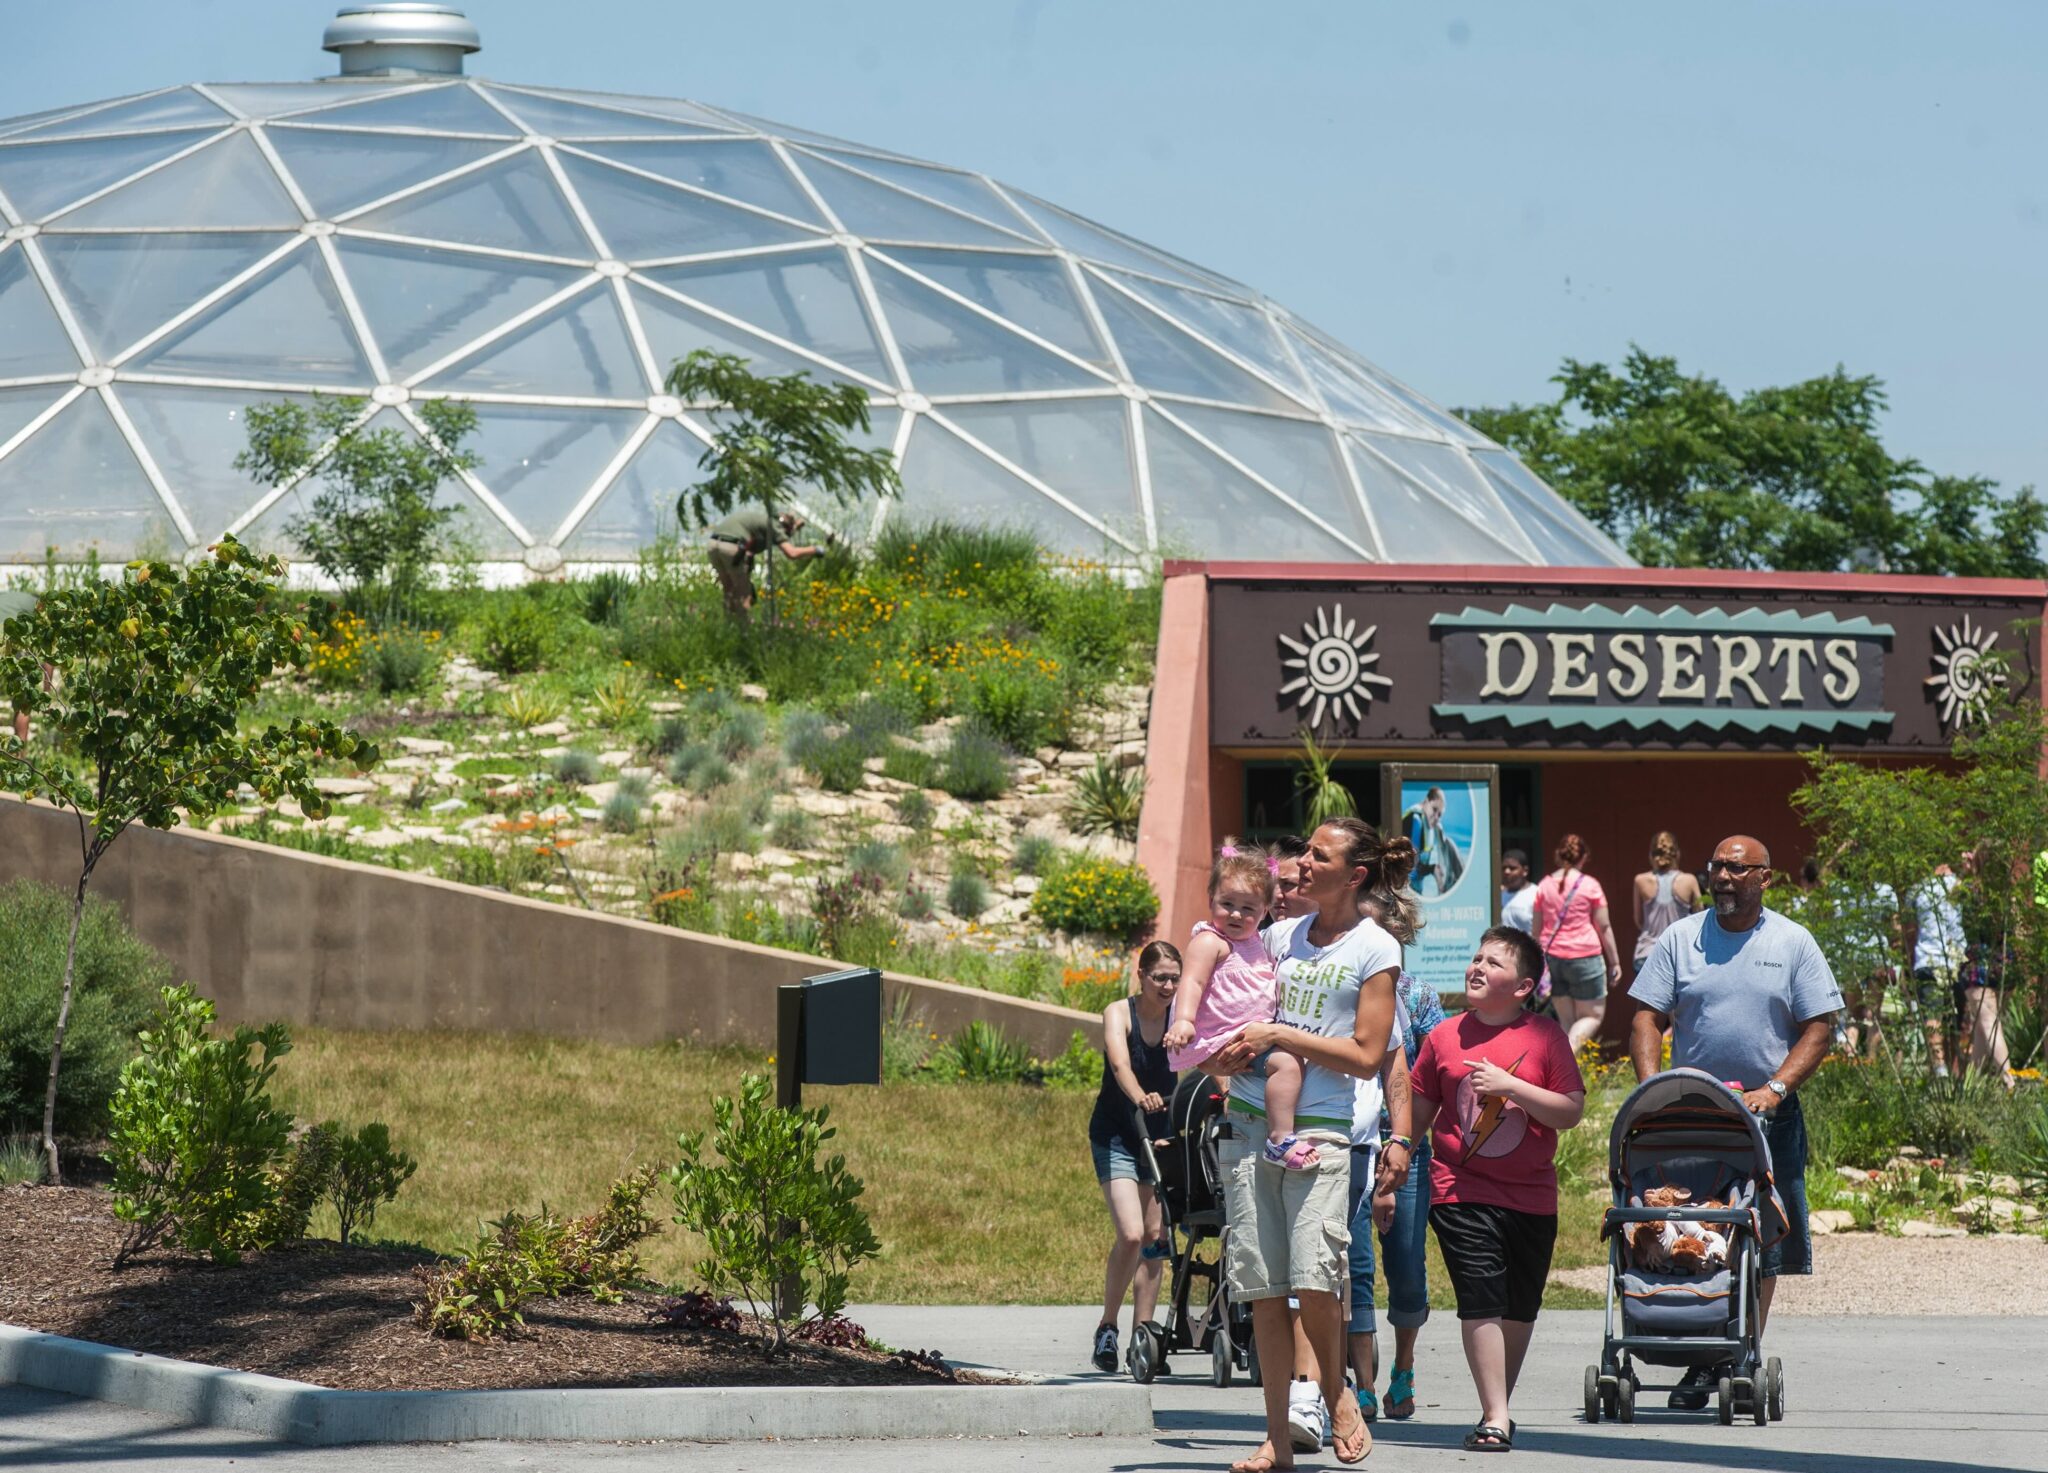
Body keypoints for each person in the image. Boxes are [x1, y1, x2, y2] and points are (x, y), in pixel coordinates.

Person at [1207, 820, 1410, 1471]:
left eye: (1319, 855)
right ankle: (1277, 1440)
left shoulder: (1374, 948)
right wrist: (1226, 1042)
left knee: (1315, 1280)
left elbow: (1368, 1053)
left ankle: (1336, 1392)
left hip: (1321, 1131)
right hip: (1248, 1126)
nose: (1302, 862)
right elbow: (1236, 1005)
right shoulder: (1278, 934)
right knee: (1264, 1290)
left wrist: (1277, 1036)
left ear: (1353, 875)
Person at [1628, 834, 1843, 1410]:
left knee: (1760, 1239)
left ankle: (1734, 1355)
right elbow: (1647, 1017)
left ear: (1764, 878)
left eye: (1736, 868)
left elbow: (1821, 1026)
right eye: (1716, 866)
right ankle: (1696, 1348)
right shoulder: (1681, 938)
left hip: (1766, 1117)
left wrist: (1774, 1090)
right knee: (1693, 1231)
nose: (1721, 876)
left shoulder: (1792, 942)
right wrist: (1654, 1090)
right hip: (1690, 1116)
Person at [1411, 926, 1585, 1453]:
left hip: (1531, 1195)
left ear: (1524, 986)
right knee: (1480, 1295)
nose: (1478, 967)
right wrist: (1393, 1164)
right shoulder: (1443, 1036)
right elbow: (1417, 1114)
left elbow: (1571, 1111)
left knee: (1519, 1307)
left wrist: (1511, 1086)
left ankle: (1498, 1410)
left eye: (1494, 962)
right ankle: (1495, 1415)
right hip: (1459, 1187)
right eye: (1476, 957)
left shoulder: (1545, 1037)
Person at [1347, 892, 1444, 1425]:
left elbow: (1435, 1078)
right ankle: (1362, 1384)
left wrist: (1407, 1142)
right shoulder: (1342, 990)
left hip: (1408, 1148)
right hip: (1348, 1145)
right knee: (1354, 1267)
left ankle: (1403, 1367)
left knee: (1406, 1269)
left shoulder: (1421, 997)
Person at [1166, 842, 1315, 1169]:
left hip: (1246, 1038)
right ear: (1210, 901)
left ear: (1264, 912)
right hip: (1223, 1039)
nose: (1236, 914)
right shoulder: (1210, 941)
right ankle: (1280, 1138)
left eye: (1248, 908)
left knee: (1286, 1064)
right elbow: (1191, 982)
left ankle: (1274, 1130)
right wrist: (1185, 1021)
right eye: (1227, 904)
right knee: (1289, 1064)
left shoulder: (1255, 944)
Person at [1087, 940, 1182, 1373]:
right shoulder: (1118, 1012)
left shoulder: (1179, 1017)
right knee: (1130, 1234)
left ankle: (1145, 1338)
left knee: (1155, 1238)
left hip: (1159, 1138)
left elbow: (1200, 1058)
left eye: (1174, 978)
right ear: (1141, 975)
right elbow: (1121, 1064)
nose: (1167, 985)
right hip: (1118, 1133)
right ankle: (1108, 1326)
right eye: (1160, 977)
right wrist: (1140, 1096)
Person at [1531, 834, 1622, 1051]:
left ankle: (1564, 1077)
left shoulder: (1544, 885)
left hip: (1553, 958)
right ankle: (1567, 1057)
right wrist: (1615, 962)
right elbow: (1604, 926)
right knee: (1592, 1016)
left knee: (1567, 1023)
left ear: (1558, 856)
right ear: (1583, 858)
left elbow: (1536, 930)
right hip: (1585, 957)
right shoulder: (1590, 885)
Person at [703, 504, 831, 618]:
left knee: (729, 590)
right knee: (744, 595)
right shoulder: (774, 526)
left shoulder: (761, 522)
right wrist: (816, 550)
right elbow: (791, 553)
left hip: (713, 545)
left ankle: (728, 627)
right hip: (732, 547)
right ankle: (744, 633)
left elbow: (756, 546)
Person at [1956, 850, 2016, 1088]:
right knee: (1982, 1025)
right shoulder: (2005, 895)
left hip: (1978, 964)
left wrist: (1965, 872)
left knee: (1988, 1020)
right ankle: (1971, 1086)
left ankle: (2009, 1081)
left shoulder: (1972, 892)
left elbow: (1952, 898)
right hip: (2002, 963)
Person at [1908, 862, 1965, 1078]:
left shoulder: (1919, 888)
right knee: (1954, 1019)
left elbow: (1907, 922)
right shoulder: (1959, 886)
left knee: (1932, 1014)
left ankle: (1940, 1068)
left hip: (1926, 959)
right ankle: (1953, 1071)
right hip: (1956, 961)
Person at [1633, 832, 1700, 976]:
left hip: (1646, 954)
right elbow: (1699, 919)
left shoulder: (1640, 880)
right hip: (1680, 954)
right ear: (1677, 854)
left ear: (1651, 856)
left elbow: (1639, 921)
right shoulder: (1690, 880)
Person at [1405, 786, 1465, 897]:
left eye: (1440, 814)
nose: (1436, 817)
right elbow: (1412, 869)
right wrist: (1432, 869)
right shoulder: (1416, 821)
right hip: (1409, 894)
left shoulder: (1429, 825)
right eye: (1434, 809)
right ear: (1426, 801)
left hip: (1415, 892)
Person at [1499, 848, 1536, 935]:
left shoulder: (1536, 894)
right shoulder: (1499, 895)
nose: (1506, 871)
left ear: (1525, 871)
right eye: (1504, 868)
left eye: (1512, 868)